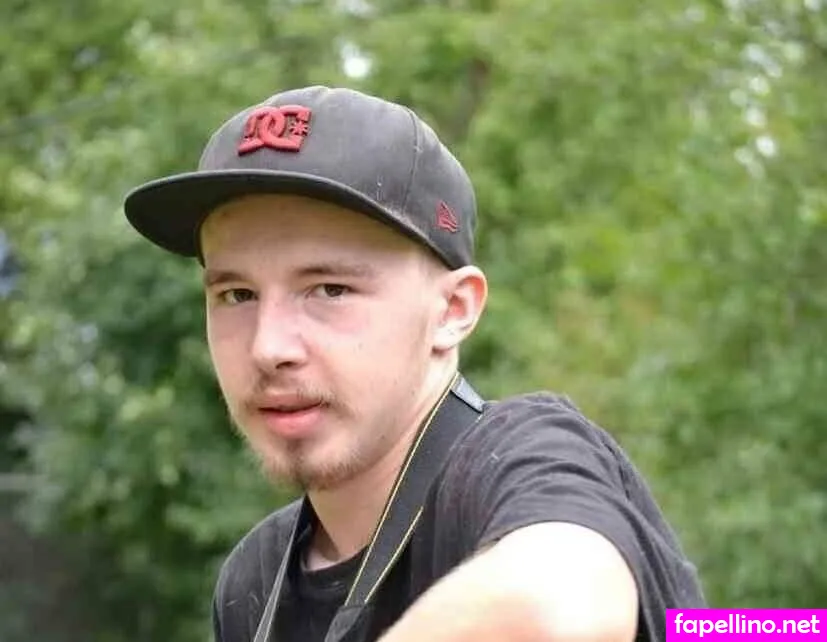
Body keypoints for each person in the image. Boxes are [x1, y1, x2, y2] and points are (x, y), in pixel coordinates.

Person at [123, 85, 706, 642]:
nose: (268, 347)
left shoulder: (518, 457)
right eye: (237, 295)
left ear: (453, 310)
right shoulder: (255, 580)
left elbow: (562, 609)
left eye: (330, 289)